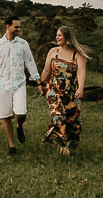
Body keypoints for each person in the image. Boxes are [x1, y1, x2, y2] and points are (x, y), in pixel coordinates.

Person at [0, 14, 41, 156]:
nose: (19, 29)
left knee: (21, 112)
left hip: (19, 83)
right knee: (5, 116)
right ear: (8, 26)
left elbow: (30, 63)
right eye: (16, 27)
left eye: (19, 27)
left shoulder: (23, 44)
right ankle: (11, 145)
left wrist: (38, 82)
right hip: (2, 84)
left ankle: (19, 125)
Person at [36, 26, 89, 155]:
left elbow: (81, 73)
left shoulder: (78, 54)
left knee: (73, 121)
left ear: (67, 37)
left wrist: (81, 88)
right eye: (56, 35)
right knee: (58, 116)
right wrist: (40, 83)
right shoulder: (53, 51)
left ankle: (69, 144)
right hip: (53, 90)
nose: (57, 37)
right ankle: (63, 146)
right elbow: (47, 71)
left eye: (59, 35)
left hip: (71, 92)